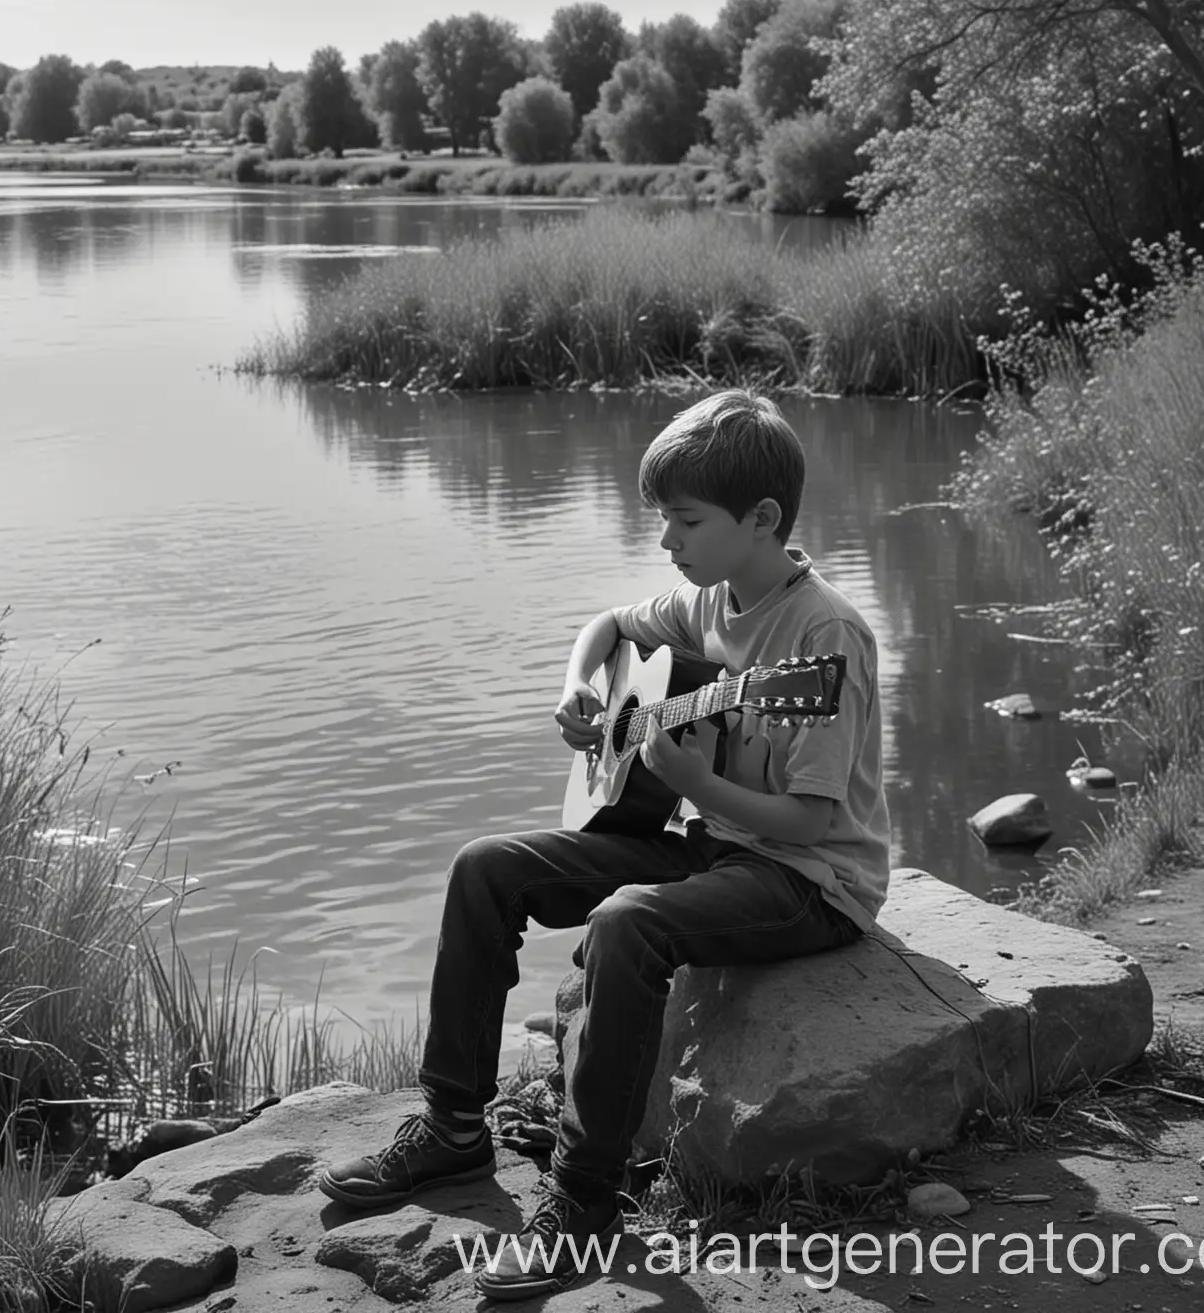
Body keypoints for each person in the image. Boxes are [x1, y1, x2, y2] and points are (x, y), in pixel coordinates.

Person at [319, 389, 890, 1301]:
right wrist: (578, 685)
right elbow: (613, 626)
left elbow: (812, 824)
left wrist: (696, 782)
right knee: (485, 867)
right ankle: (454, 1126)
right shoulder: (714, 599)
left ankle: (585, 1201)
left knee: (628, 923)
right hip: (714, 849)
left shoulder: (824, 640)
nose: (667, 541)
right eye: (664, 519)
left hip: (808, 880)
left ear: (763, 519)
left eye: (684, 521)